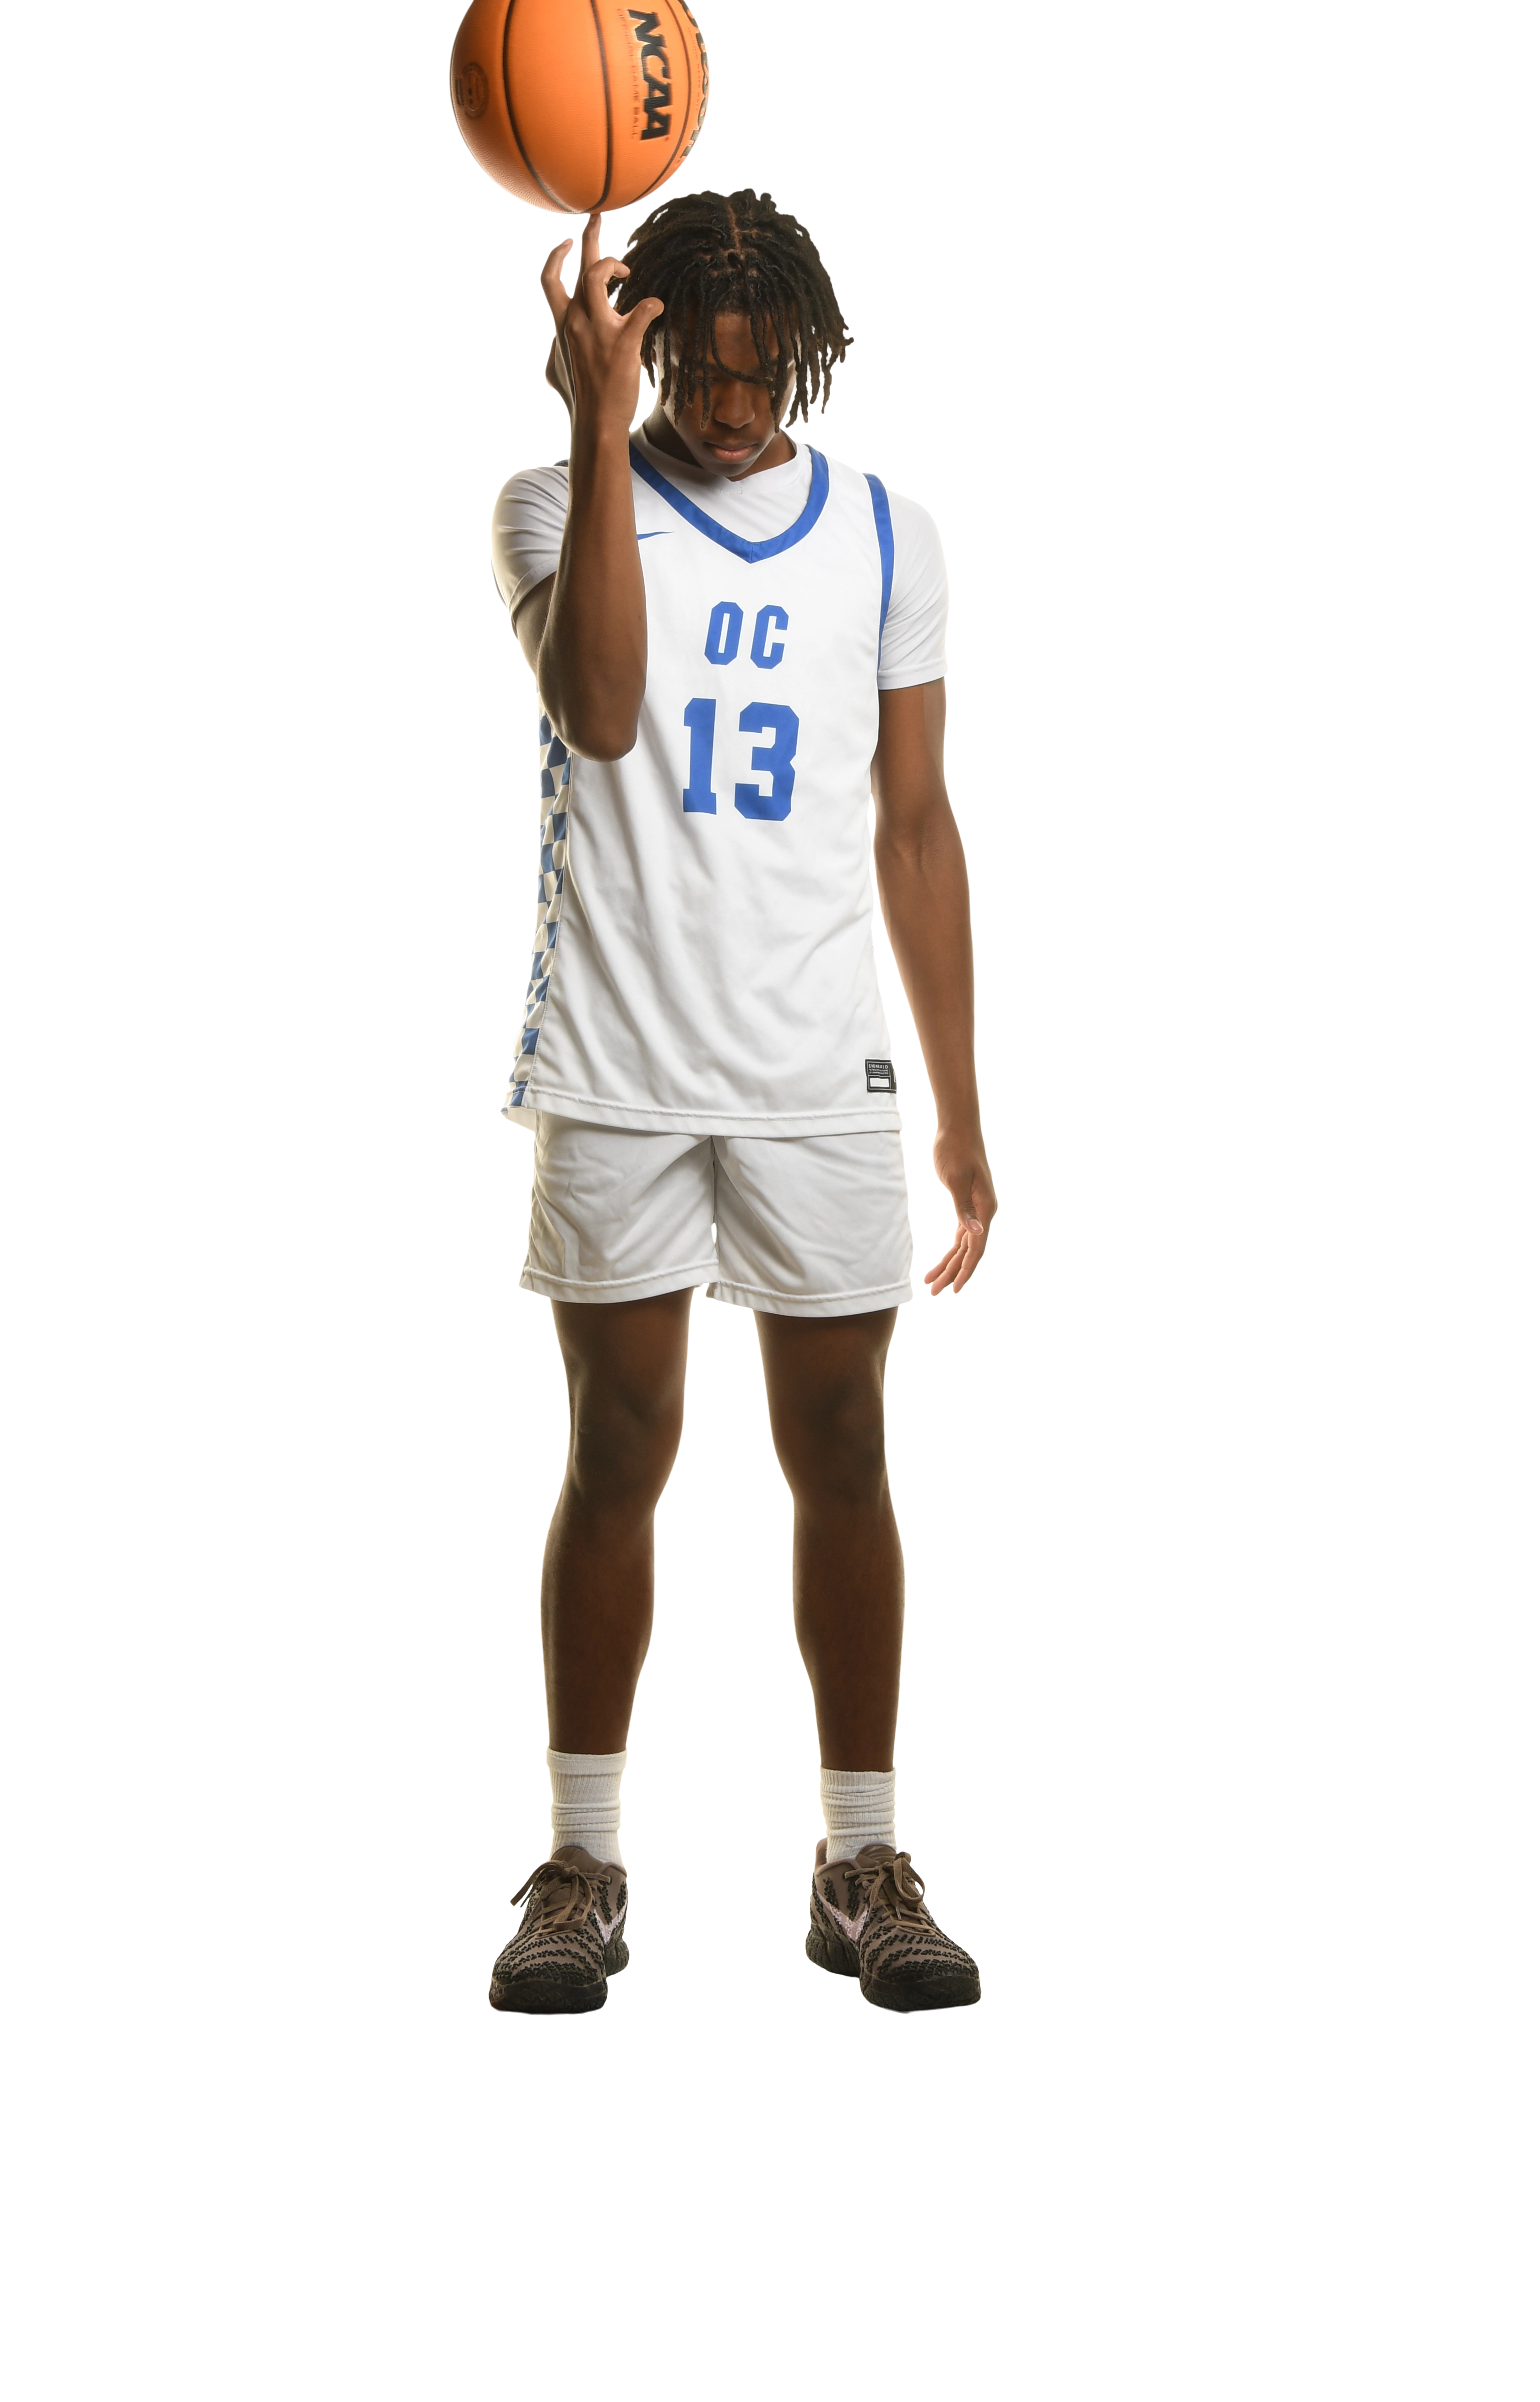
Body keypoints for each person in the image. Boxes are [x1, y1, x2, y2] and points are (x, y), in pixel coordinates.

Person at [485, 181, 994, 2015]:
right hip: (621, 1056)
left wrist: (961, 1108)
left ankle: (861, 1860)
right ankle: (582, 1865)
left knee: (843, 1448)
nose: (723, 403)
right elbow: (605, 706)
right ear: (643, 352)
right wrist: (589, 424)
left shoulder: (886, 533)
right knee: (618, 1450)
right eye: (690, 369)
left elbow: (915, 826)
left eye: (754, 370)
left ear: (804, 354)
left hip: (811, 1061)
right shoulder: (551, 499)